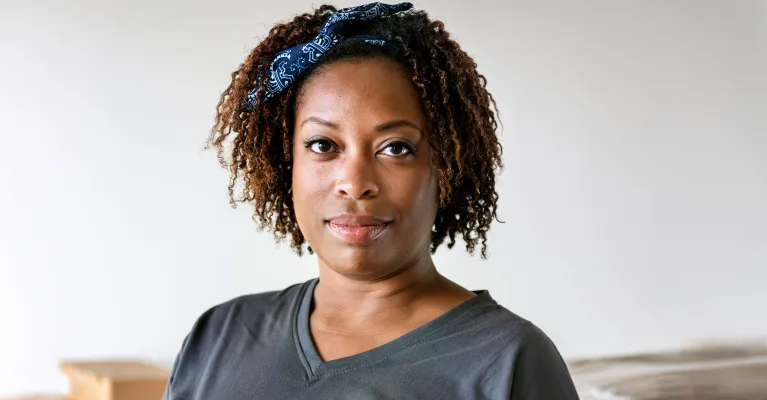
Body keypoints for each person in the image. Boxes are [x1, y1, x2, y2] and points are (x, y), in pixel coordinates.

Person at [163, 2, 579, 399]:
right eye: (324, 144)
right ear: (284, 161)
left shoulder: (509, 361)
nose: (355, 183)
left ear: (447, 168)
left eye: (395, 148)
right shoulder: (218, 336)